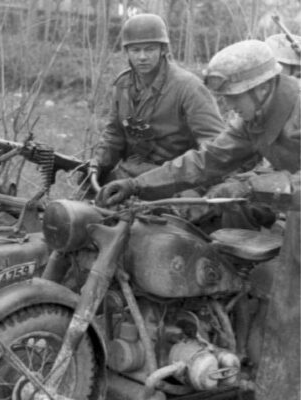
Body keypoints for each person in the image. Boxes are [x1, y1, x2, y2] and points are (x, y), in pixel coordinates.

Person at [96, 39, 300, 400]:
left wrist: (266, 183)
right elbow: (205, 161)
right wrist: (137, 184)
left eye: (234, 96)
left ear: (263, 87)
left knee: (287, 299)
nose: (228, 105)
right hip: (293, 207)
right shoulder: (254, 118)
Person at [91, 13, 225, 183]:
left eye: (149, 49)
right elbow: (114, 135)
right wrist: (98, 163)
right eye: (135, 50)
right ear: (126, 52)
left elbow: (214, 143)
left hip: (175, 178)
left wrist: (197, 179)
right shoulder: (123, 84)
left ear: (163, 50)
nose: (142, 57)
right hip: (131, 173)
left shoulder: (188, 87)